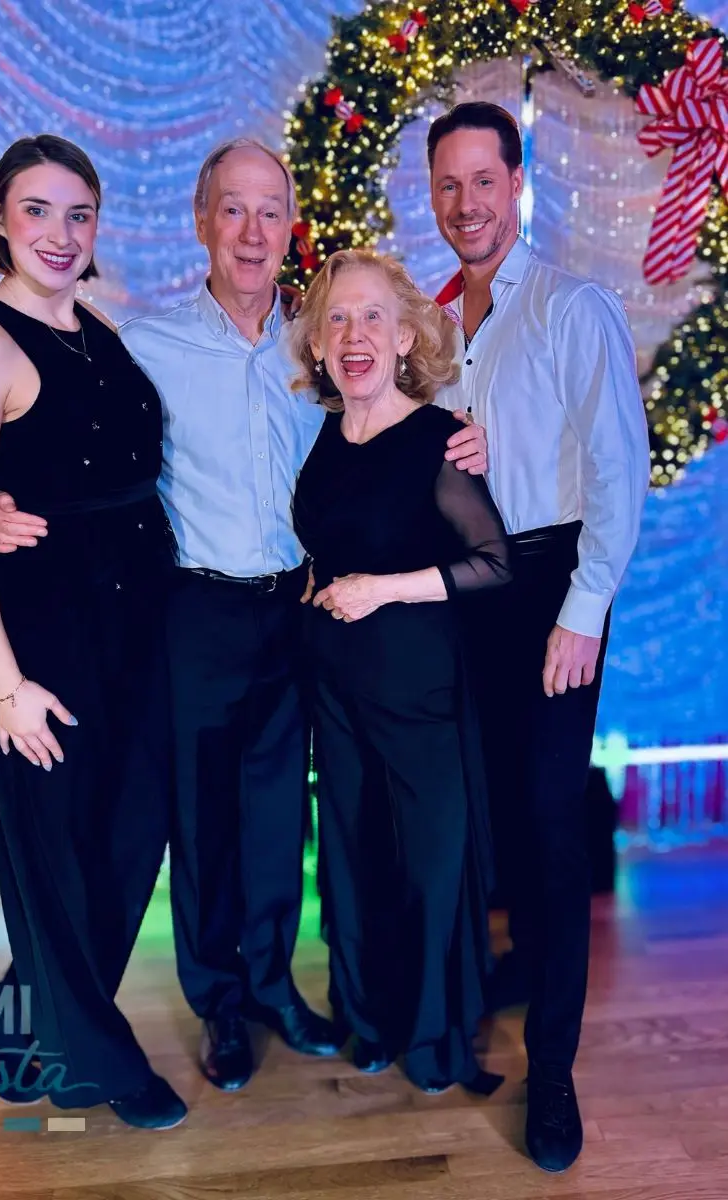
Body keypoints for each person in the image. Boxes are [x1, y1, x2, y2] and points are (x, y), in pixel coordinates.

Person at [0, 138, 489, 1092]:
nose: (253, 232)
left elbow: (393, 414)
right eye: (233, 210)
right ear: (203, 222)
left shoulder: (319, 351)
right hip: (193, 613)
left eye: (270, 212)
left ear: (290, 227)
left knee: (269, 817)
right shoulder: (145, 347)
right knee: (201, 819)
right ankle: (218, 1001)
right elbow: (66, 442)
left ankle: (271, 985)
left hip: (294, 613)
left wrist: (464, 433)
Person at [0, 135, 186, 1129]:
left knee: (126, 834)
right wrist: (4, 687)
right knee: (56, 849)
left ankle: (12, 1011)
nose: (58, 233)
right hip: (43, 638)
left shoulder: (102, 329)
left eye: (78, 213)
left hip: (139, 621)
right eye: (36, 210)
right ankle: (95, 1060)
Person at [427, 102, 649, 1171]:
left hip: (552, 578)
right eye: (448, 186)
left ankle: (552, 1076)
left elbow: (619, 471)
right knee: (500, 808)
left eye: (483, 180)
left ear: (518, 182)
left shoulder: (573, 308)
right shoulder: (439, 328)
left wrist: (583, 608)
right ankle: (519, 970)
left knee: (556, 831)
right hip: (475, 588)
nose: (466, 204)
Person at [289, 248, 510, 1094]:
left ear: (408, 333)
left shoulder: (439, 439)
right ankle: (367, 1021)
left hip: (419, 689)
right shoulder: (324, 436)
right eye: (337, 318)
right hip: (335, 689)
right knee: (350, 858)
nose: (355, 334)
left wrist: (382, 589)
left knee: (427, 864)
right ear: (317, 342)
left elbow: (493, 562)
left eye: (373, 315)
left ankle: (428, 1036)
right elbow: (328, 546)